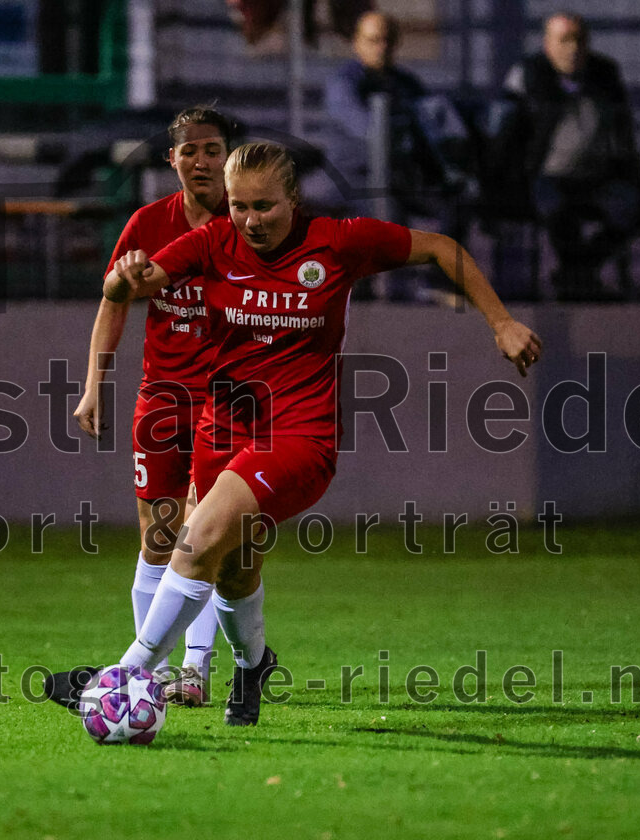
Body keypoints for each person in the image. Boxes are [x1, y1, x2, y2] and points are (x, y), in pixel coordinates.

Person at [52, 142, 542, 727]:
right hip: (223, 428)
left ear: (294, 199)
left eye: (265, 206)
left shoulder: (337, 242)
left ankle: (125, 675)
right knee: (235, 568)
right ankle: (253, 664)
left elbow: (440, 248)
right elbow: (139, 281)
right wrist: (122, 280)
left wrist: (502, 320)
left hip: (299, 436)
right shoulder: (214, 242)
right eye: (239, 206)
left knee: (198, 536)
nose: (251, 221)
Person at [68, 106, 236, 708]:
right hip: (162, 398)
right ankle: (151, 670)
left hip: (228, 401)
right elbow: (113, 298)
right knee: (158, 538)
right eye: (189, 151)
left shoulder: (248, 224)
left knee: (202, 533)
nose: (201, 160)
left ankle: (192, 669)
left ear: (228, 157)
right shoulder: (148, 223)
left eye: (212, 149)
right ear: (173, 160)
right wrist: (94, 383)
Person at [324, 11, 470, 300]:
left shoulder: (406, 83)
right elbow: (364, 127)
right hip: (357, 178)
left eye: (388, 40)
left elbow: (430, 128)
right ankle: (384, 296)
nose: (381, 47)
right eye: (373, 40)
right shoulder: (345, 83)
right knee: (388, 215)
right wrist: (400, 129)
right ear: (357, 43)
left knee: (455, 202)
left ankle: (437, 283)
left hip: (401, 175)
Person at [499, 12, 640, 301]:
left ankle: (577, 273)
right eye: (564, 40)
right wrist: (506, 182)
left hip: (598, 176)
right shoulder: (528, 75)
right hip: (546, 175)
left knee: (632, 209)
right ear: (547, 44)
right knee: (558, 211)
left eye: (580, 40)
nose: (573, 48)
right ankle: (579, 279)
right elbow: (507, 135)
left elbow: (623, 131)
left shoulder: (605, 74)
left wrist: (632, 176)